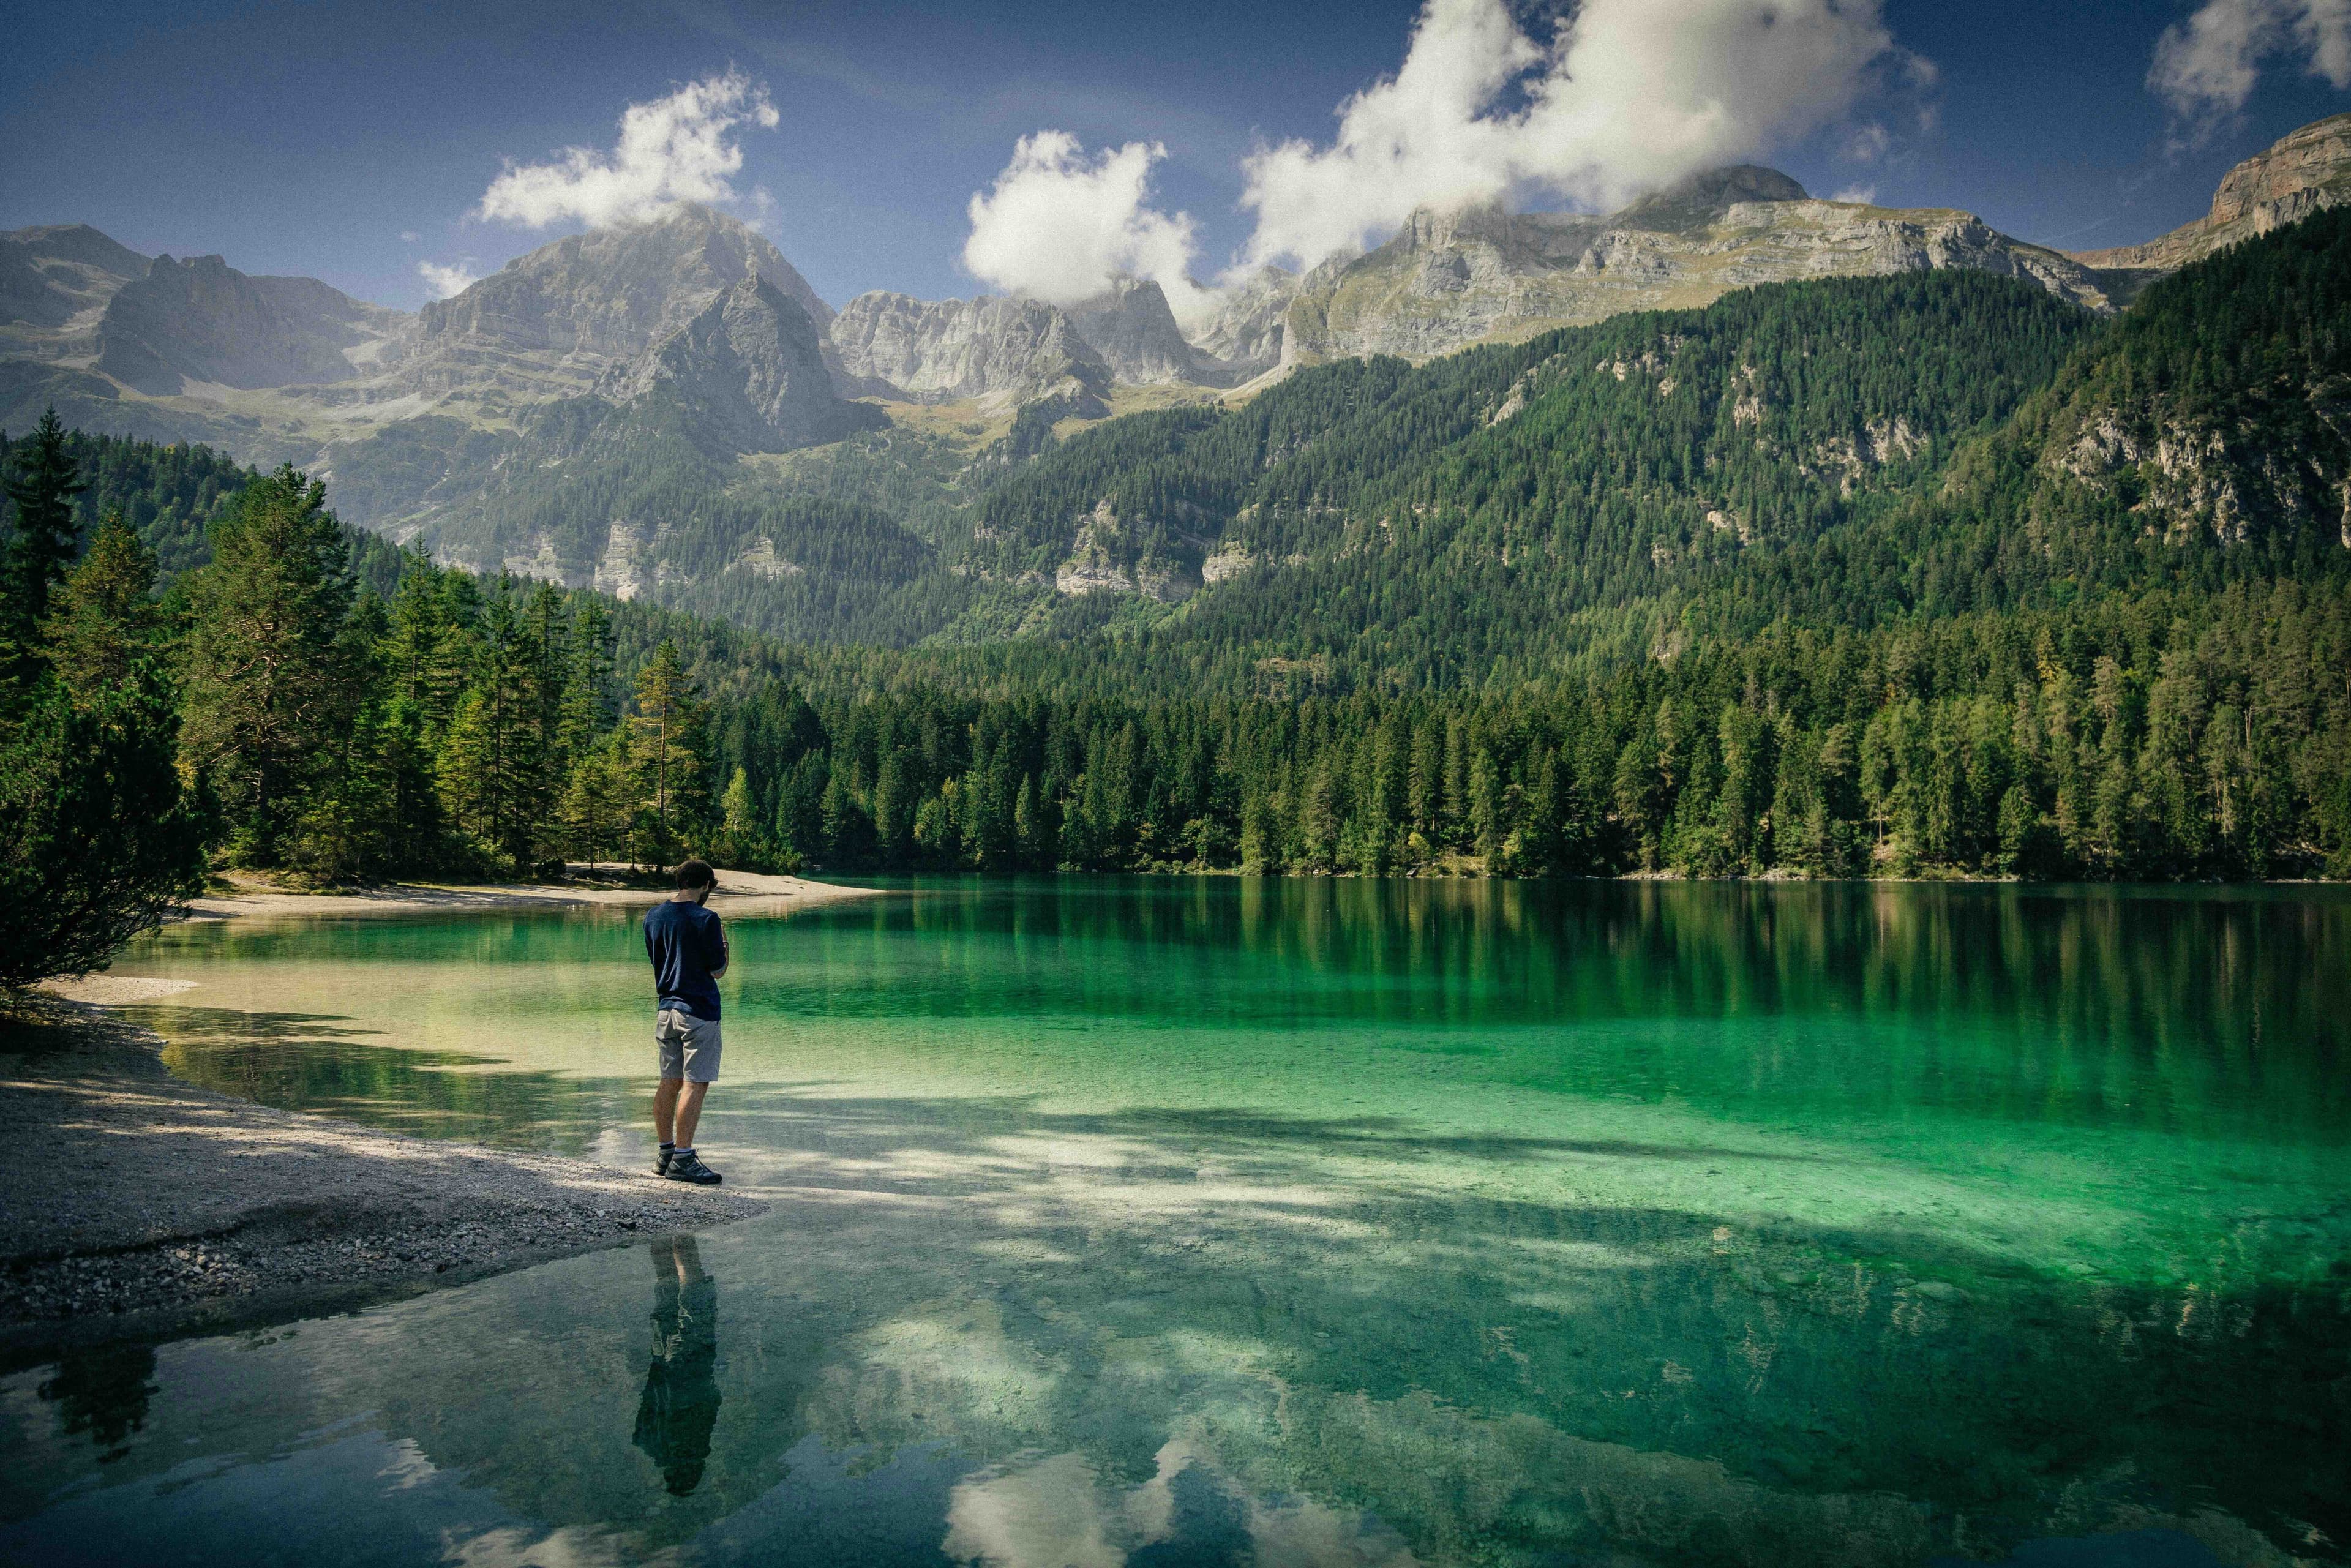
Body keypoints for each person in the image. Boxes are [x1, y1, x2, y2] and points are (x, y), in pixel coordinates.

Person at [645, 859, 728, 1184]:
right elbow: (717, 970)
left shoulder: (653, 916)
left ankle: (665, 1153)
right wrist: (725, 946)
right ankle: (683, 1158)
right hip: (699, 1011)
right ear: (706, 885)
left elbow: (659, 961)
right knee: (695, 1084)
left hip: (665, 1010)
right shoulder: (707, 919)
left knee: (669, 1082)